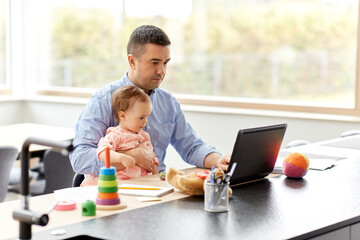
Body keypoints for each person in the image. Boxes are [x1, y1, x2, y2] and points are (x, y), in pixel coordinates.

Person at [70, 25, 230, 177]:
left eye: (165, 63)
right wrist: (132, 156)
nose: (162, 71)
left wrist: (218, 161)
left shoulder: (167, 102)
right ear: (132, 61)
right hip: (114, 192)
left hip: (157, 189)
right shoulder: (103, 100)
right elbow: (79, 158)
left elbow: (191, 147)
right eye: (154, 63)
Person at [80, 86, 159, 186]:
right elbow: (103, 152)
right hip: (117, 184)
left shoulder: (145, 137)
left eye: (147, 117)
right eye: (141, 118)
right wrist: (121, 157)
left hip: (138, 184)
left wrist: (157, 179)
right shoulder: (116, 135)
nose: (146, 122)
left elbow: (152, 159)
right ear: (122, 116)